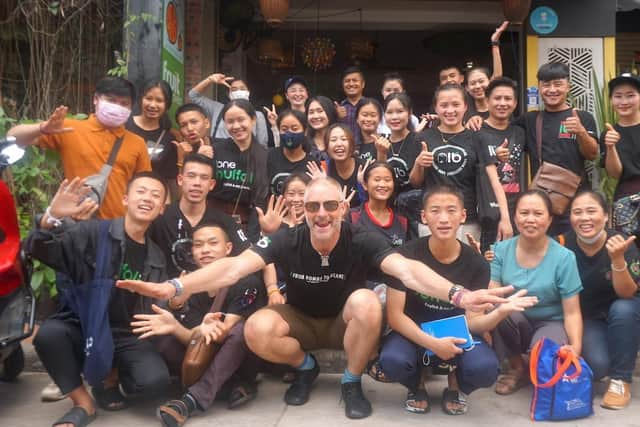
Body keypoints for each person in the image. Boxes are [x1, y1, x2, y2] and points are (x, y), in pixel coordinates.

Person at [117, 177, 516, 420]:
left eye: (329, 205)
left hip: (345, 321)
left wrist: (458, 293)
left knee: (364, 300)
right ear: (301, 209)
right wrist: (175, 288)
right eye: (311, 206)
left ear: (343, 208)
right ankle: (305, 368)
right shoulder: (286, 238)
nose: (321, 214)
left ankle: (350, 381)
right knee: (257, 326)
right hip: (302, 320)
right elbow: (233, 267)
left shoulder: (362, 237)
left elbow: (407, 271)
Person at [374, 185, 535, 415]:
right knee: (392, 360)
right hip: (414, 331)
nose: (443, 219)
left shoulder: (477, 264)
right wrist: (432, 343)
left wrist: (500, 312)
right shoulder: (405, 257)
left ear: (463, 216)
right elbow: (395, 316)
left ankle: (456, 383)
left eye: (451, 211)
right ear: (423, 216)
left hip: (458, 335)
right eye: (435, 211)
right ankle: (416, 383)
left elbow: (473, 323)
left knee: (486, 368)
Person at [30, 173, 170, 427]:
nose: (147, 198)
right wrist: (51, 219)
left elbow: (155, 306)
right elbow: (41, 249)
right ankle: (83, 403)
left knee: (155, 383)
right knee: (49, 335)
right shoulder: (93, 232)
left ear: (161, 209)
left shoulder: (156, 256)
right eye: (141, 191)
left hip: (124, 332)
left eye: (155, 195)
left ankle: (110, 378)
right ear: (126, 199)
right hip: (85, 322)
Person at [132, 223, 267, 426]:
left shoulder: (246, 282)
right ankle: (230, 387)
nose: (205, 250)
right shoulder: (190, 285)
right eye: (198, 245)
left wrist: (201, 329)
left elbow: (224, 333)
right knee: (164, 336)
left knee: (240, 331)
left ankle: (193, 399)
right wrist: (175, 325)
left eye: (213, 243)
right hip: (207, 353)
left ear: (228, 248)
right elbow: (194, 338)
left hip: (239, 357)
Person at [8, 76, 151, 219]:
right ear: (96, 99)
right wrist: (42, 128)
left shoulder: (137, 143)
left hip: (117, 226)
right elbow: (13, 137)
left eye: (124, 103)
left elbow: (144, 187)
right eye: (111, 100)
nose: (117, 107)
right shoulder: (69, 128)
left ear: (131, 108)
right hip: (76, 223)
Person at [490, 189, 583, 395]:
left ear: (549, 220)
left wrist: (575, 347)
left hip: (551, 321)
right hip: (514, 317)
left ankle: (534, 360)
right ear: (515, 218)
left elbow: (572, 311)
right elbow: (492, 294)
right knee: (496, 308)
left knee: (544, 360)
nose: (530, 219)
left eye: (538, 214)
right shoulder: (500, 250)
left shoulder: (564, 257)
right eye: (524, 213)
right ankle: (516, 367)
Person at [560, 190, 640, 409]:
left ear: (605, 216)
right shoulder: (562, 244)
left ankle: (621, 380)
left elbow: (627, 293)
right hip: (591, 318)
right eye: (578, 212)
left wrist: (617, 259)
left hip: (628, 312)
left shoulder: (622, 243)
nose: (585, 218)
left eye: (591, 211)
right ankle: (614, 355)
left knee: (623, 309)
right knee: (597, 365)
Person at [410, 83, 511, 243]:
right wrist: (419, 163)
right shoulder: (423, 138)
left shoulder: (478, 138)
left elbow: (494, 181)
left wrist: (505, 218)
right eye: (444, 105)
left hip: (467, 219)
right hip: (432, 218)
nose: (450, 110)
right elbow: (415, 182)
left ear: (465, 107)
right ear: (435, 108)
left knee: (466, 266)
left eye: (456, 104)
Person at [515, 62, 599, 235]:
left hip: (577, 204)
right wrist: (476, 119)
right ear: (539, 87)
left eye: (558, 84)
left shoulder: (583, 117)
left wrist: (581, 131)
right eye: (546, 84)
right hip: (542, 206)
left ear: (568, 86)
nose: (552, 89)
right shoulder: (530, 120)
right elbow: (499, 130)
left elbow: (593, 154)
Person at [149, 153, 249, 279]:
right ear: (180, 180)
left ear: (211, 184)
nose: (197, 183)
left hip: (210, 293)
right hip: (166, 292)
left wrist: (271, 288)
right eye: (191, 176)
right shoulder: (160, 216)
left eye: (204, 178)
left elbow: (251, 256)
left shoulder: (224, 222)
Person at [475, 77, 525, 250]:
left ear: (516, 103)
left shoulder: (520, 132)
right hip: (487, 212)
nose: (502, 103)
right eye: (497, 98)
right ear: (487, 101)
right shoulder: (476, 132)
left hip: (516, 211)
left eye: (508, 98)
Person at [209, 99, 268, 241]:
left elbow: (261, 201)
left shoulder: (264, 156)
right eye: (230, 121)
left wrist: (252, 239)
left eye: (241, 120)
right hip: (212, 221)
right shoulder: (214, 149)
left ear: (253, 120)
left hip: (245, 225)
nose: (236, 126)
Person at [600, 73, 640, 246]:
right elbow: (615, 174)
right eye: (618, 96)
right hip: (626, 200)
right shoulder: (608, 134)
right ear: (611, 100)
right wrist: (610, 146)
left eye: (630, 95)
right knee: (628, 251)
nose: (624, 101)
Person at [126, 80, 180, 201]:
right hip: (119, 196)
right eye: (148, 98)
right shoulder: (124, 125)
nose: (153, 105)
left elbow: (167, 180)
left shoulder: (168, 139)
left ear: (167, 105)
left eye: (159, 101)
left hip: (148, 200)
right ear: (141, 99)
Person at [187, 73, 269, 147]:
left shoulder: (257, 115)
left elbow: (262, 144)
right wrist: (210, 79)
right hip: (219, 158)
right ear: (229, 94)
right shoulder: (217, 109)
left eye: (242, 89)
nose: (238, 91)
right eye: (234, 89)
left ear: (248, 92)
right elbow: (193, 95)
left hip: (245, 159)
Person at [350, 162, 410, 248]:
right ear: (365, 185)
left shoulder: (402, 219)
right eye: (377, 180)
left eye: (387, 180)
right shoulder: (353, 217)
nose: (382, 185)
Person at [267, 109, 317, 196]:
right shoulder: (268, 156)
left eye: (294, 129)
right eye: (284, 129)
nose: (289, 133)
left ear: (305, 131)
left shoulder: (313, 164)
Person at [324, 123, 365, 208]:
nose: (339, 144)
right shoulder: (323, 169)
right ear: (327, 147)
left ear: (351, 145)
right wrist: (321, 184)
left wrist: (362, 185)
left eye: (343, 139)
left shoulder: (364, 167)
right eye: (333, 140)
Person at [173, 103, 215, 170]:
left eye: (194, 122)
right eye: (183, 125)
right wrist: (182, 159)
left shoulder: (223, 147)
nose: (190, 128)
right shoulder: (176, 152)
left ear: (207, 123)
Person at [355, 97, 388, 162]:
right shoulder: (352, 145)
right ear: (357, 119)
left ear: (380, 119)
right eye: (365, 115)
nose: (368, 119)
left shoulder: (387, 141)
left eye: (373, 115)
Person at [306, 96, 337, 164]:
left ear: (329, 112)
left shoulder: (340, 140)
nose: (316, 116)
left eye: (320, 111)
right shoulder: (303, 143)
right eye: (311, 112)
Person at [336, 66, 366, 136]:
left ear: (363, 84)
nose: (351, 84)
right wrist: (337, 118)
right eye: (347, 81)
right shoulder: (338, 108)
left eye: (355, 80)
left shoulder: (370, 106)